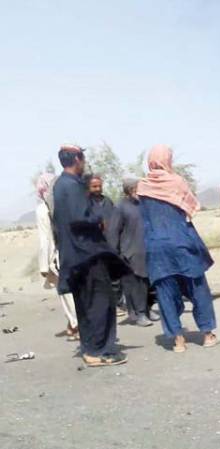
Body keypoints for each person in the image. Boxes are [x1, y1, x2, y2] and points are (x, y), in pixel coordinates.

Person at [52, 145, 129, 366]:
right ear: (77, 159)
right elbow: (79, 217)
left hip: (75, 255)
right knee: (99, 302)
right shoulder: (72, 186)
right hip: (87, 255)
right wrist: (98, 219)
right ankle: (101, 352)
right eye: (82, 158)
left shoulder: (60, 185)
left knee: (86, 304)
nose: (84, 162)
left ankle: (90, 350)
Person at [137, 144, 217, 353]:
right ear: (167, 160)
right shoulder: (176, 182)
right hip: (182, 242)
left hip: (157, 248)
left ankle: (178, 340)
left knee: (165, 293)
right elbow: (191, 208)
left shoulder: (142, 187)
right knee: (198, 288)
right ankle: (207, 334)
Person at [35, 173, 79, 340]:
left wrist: (44, 267)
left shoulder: (43, 209)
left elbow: (45, 239)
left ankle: (77, 326)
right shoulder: (67, 202)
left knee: (67, 294)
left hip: (59, 256)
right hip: (75, 252)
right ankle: (72, 326)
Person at [106, 178, 153, 327]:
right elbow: (113, 232)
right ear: (131, 190)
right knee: (135, 284)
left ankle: (144, 310)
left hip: (145, 249)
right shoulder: (120, 207)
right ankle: (139, 314)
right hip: (129, 252)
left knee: (145, 282)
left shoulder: (144, 205)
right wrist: (115, 255)